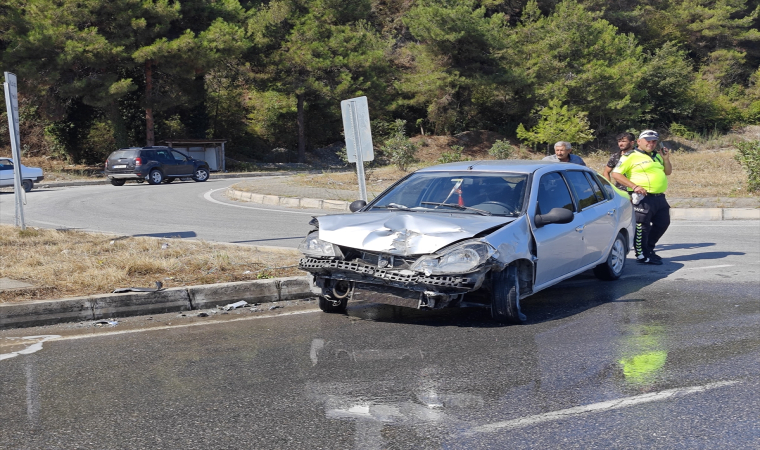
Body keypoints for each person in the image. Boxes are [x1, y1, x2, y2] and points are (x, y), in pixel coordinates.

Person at [611, 129, 673, 265]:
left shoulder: (656, 156)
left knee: (663, 223)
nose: (651, 144)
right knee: (642, 227)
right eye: (648, 141)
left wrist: (666, 159)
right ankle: (642, 254)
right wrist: (634, 186)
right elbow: (616, 174)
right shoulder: (630, 156)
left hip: (659, 197)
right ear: (639, 142)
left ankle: (649, 249)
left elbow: (667, 172)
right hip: (643, 197)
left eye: (654, 141)